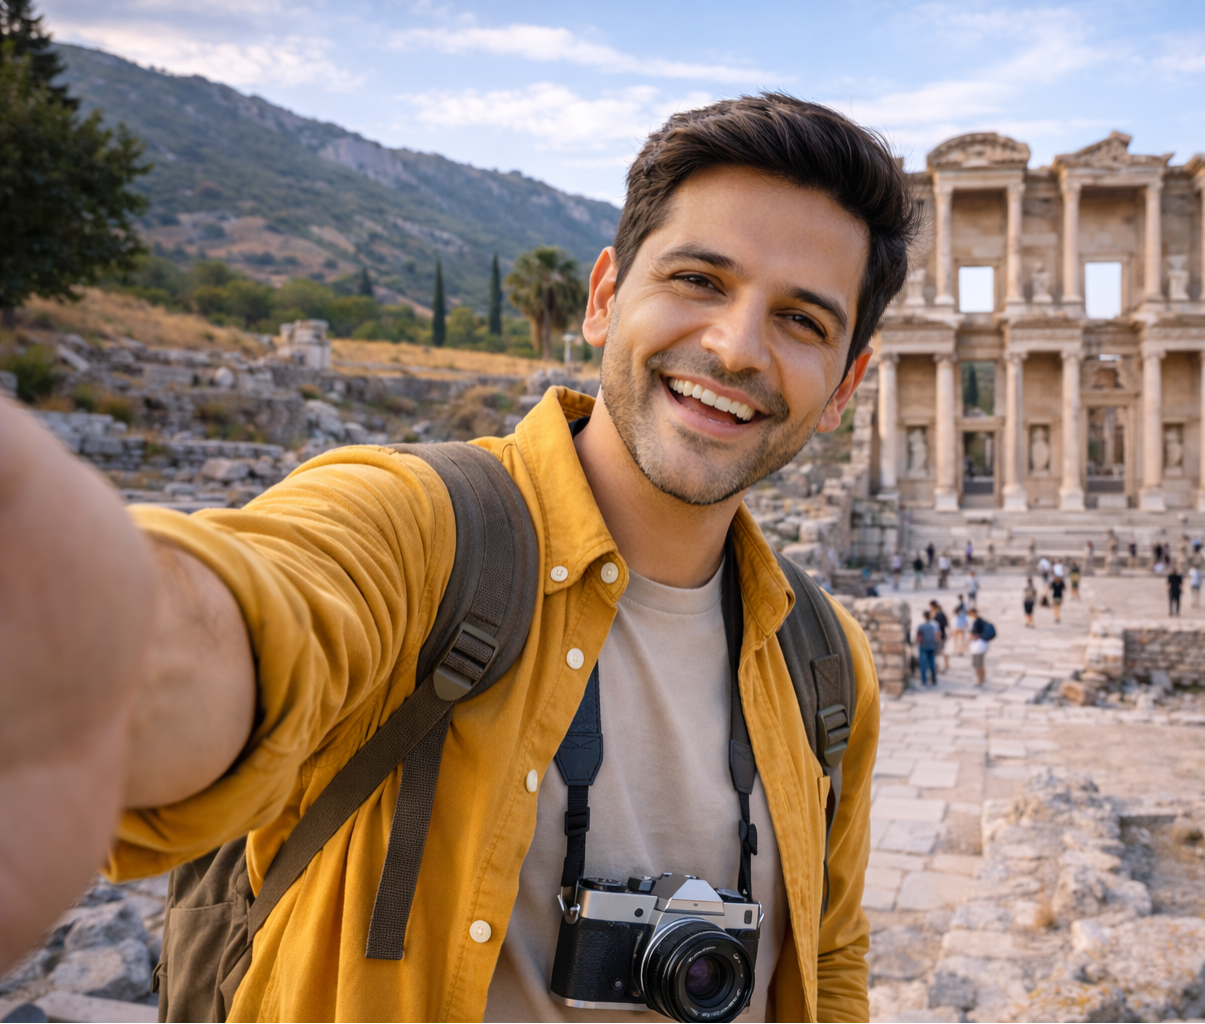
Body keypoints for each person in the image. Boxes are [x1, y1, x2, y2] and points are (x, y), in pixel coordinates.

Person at [0, 94, 907, 1020]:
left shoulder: (828, 663)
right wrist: (90, 630)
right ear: (603, 298)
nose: (735, 346)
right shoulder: (421, 529)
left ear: (844, 387)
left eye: (802, 320)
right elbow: (257, 612)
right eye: (700, 280)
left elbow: (828, 953)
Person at [915, 610, 941, 688]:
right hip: (932, 646)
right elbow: (937, 635)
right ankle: (933, 679)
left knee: (923, 664)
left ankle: (924, 681)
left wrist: (914, 644)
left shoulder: (921, 626)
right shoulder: (934, 625)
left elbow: (919, 637)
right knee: (932, 663)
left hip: (923, 646)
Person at [929, 600, 950, 672]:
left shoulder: (938, 615)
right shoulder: (942, 614)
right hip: (943, 634)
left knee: (938, 651)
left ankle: (942, 665)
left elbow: (934, 625)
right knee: (941, 650)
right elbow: (947, 624)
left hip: (939, 635)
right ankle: (946, 664)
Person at [968, 621, 989, 685]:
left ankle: (980, 680)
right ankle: (982, 678)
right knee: (980, 665)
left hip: (977, 649)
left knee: (978, 666)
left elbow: (972, 636)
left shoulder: (976, 626)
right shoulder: (981, 623)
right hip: (980, 649)